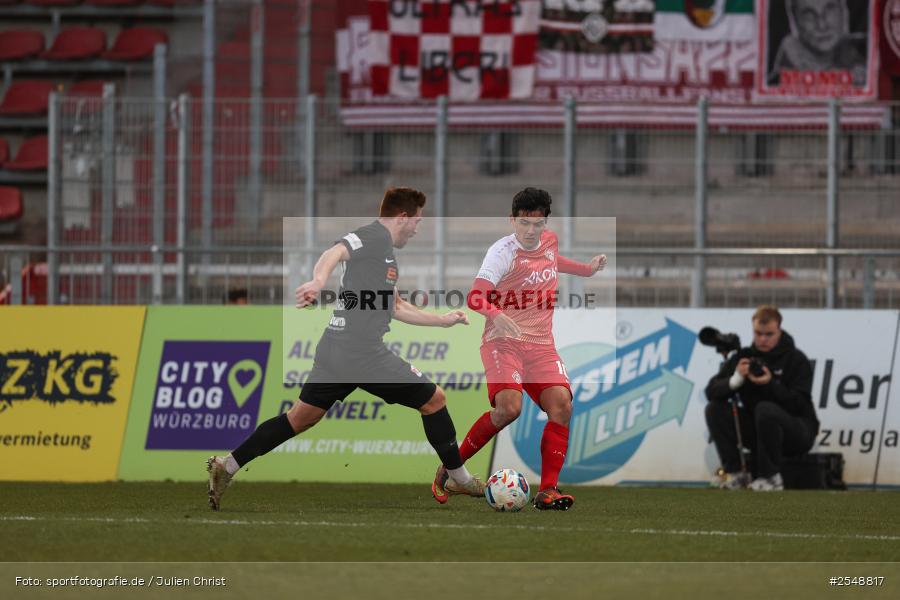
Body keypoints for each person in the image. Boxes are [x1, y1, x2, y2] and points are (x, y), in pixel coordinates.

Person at [207, 187, 484, 510]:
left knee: (299, 418)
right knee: (434, 399)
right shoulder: (374, 236)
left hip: (335, 349)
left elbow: (395, 306)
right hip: (361, 352)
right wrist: (317, 281)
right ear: (402, 217)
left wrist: (442, 321)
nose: (417, 229)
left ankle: (227, 466)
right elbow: (335, 251)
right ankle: (458, 478)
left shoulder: (384, 253)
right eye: (417, 221)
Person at [431, 187, 606, 510]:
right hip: (503, 343)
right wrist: (496, 315)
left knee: (562, 406)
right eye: (524, 223)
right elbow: (475, 296)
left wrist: (586, 269)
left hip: (541, 346)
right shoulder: (502, 252)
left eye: (537, 224)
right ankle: (450, 470)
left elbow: (552, 261)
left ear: (545, 224)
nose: (530, 231)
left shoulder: (549, 241)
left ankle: (548, 491)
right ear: (512, 220)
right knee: (509, 409)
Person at [705, 305, 819, 491]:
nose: (763, 339)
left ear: (779, 330)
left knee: (765, 409)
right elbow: (710, 391)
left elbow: (799, 404)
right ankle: (736, 474)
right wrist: (735, 380)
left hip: (797, 431)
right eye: (758, 333)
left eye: (769, 334)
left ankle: (770, 477)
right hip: (759, 431)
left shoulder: (796, 359)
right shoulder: (744, 357)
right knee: (714, 409)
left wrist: (770, 383)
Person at [768, 0, 866, 86]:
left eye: (829, 9)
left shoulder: (865, 52)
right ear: (795, 20)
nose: (822, 25)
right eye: (809, 16)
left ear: (843, 11)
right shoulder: (777, 82)